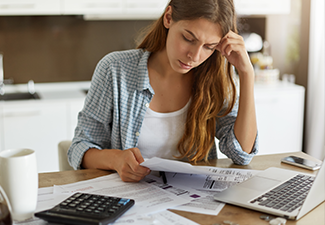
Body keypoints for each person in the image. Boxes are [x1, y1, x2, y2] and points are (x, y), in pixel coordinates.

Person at [68, 0, 258, 182]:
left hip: (191, 204)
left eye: (209, 47)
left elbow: (241, 154)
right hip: (127, 202)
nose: (195, 56)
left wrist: (247, 73)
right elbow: (80, 148)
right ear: (168, 18)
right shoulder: (115, 70)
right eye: (188, 38)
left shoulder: (215, 79)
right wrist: (116, 159)